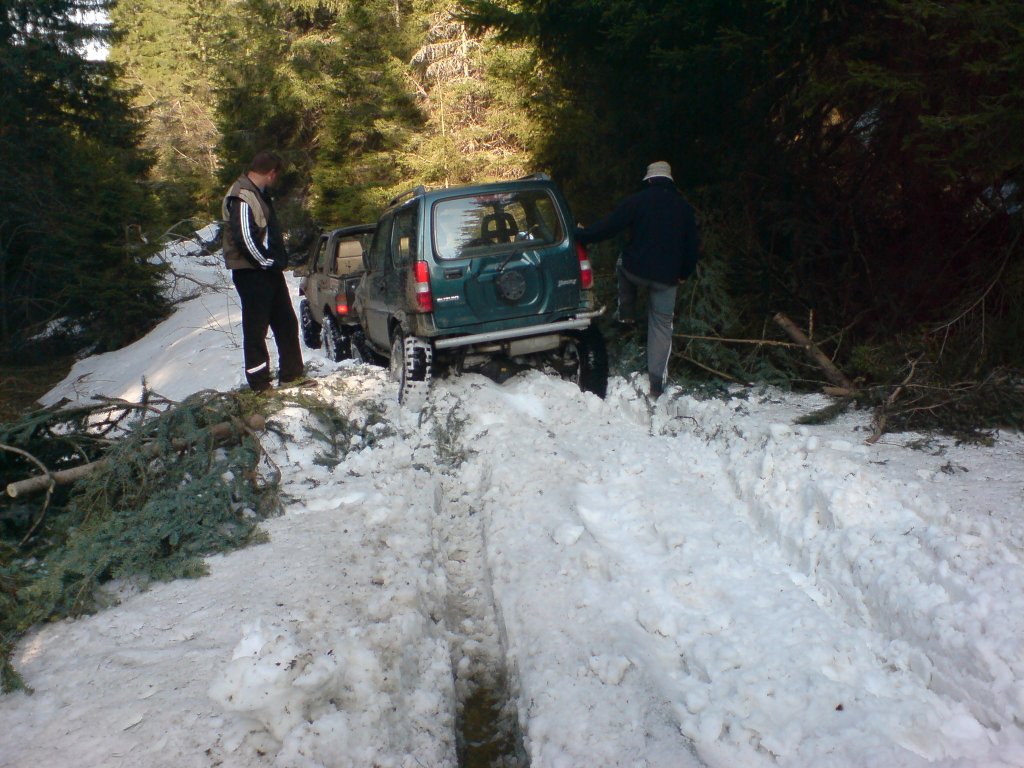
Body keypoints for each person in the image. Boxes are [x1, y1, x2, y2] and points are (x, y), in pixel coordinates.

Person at [576, 160, 700, 398]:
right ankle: (656, 384)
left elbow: (608, 227)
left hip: (636, 270)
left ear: (649, 180)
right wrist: (683, 273)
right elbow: (692, 247)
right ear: (670, 181)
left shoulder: (637, 201)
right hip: (667, 277)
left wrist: (582, 235)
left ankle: (627, 315)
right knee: (662, 325)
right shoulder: (683, 207)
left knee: (621, 263)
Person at [222, 151, 304, 393]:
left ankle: (292, 375)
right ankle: (260, 385)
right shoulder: (242, 196)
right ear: (271, 173)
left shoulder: (259, 194)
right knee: (256, 328)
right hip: (252, 272)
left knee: (286, 322)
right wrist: (267, 262)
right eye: (276, 175)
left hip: (267, 270)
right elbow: (244, 238)